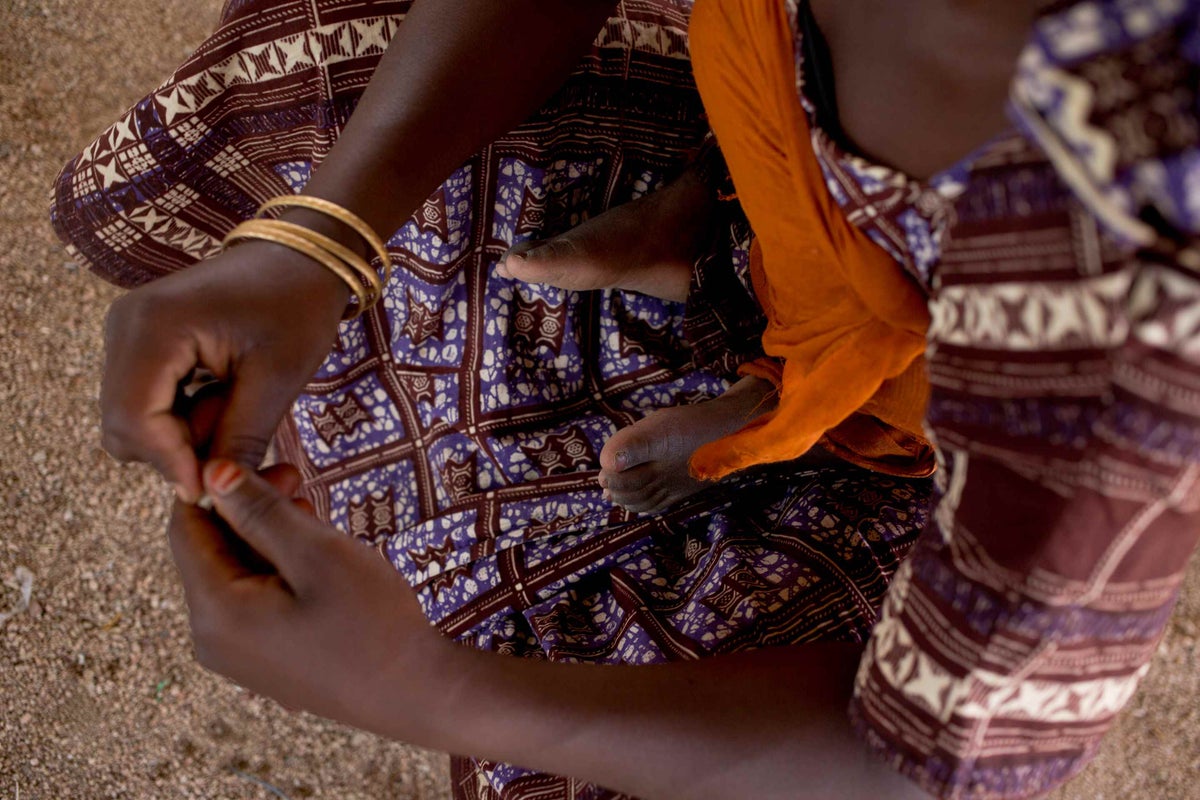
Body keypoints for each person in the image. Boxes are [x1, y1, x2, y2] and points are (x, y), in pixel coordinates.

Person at [50, 2, 1200, 799]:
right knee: (323, 70)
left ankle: (782, 366)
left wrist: (436, 689)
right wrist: (321, 233)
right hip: (779, 168)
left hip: (936, 427)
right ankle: (723, 234)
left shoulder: (1139, 243)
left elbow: (936, 759)